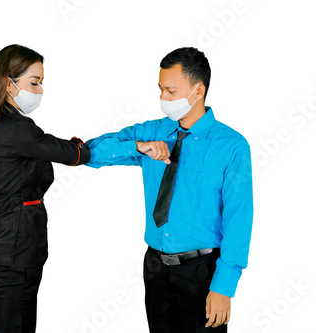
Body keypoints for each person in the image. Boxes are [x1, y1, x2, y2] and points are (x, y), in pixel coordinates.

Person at [86, 47, 253, 332]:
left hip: (202, 271)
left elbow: (238, 218)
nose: (163, 98)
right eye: (161, 89)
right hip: (155, 268)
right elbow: (90, 152)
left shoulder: (232, 145)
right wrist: (136, 147)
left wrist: (224, 286)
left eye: (171, 91)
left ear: (198, 91)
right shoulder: (153, 132)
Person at [0, 44, 90, 333]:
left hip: (9, 246)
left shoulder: (1, 125)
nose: (39, 90)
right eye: (34, 82)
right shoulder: (16, 129)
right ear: (7, 84)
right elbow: (73, 154)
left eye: (41, 83)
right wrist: (117, 146)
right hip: (14, 250)